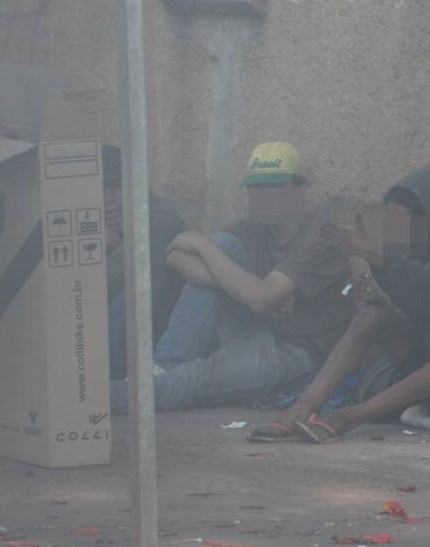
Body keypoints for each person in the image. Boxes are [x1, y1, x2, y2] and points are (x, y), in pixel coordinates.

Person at [249, 168, 430, 443]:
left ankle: (350, 417)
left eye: (405, 221)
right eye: (391, 221)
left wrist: (378, 258)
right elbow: (414, 300)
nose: (397, 232)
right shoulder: (420, 251)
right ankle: (302, 408)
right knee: (374, 315)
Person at [110, 142, 353, 413]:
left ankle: (88, 402)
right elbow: (175, 256)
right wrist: (245, 288)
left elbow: (260, 299)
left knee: (189, 381)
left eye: (273, 188)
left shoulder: (321, 239)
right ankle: (164, 363)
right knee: (223, 244)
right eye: (256, 188)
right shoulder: (253, 228)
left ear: (299, 189)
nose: (263, 196)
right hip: (255, 329)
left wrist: (205, 248)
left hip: (296, 354)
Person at [102, 144, 187, 379]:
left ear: (136, 183)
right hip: (113, 344)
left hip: (157, 349)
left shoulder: (158, 218)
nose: (107, 199)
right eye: (100, 188)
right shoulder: (96, 222)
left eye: (116, 186)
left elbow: (107, 281)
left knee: (147, 278)